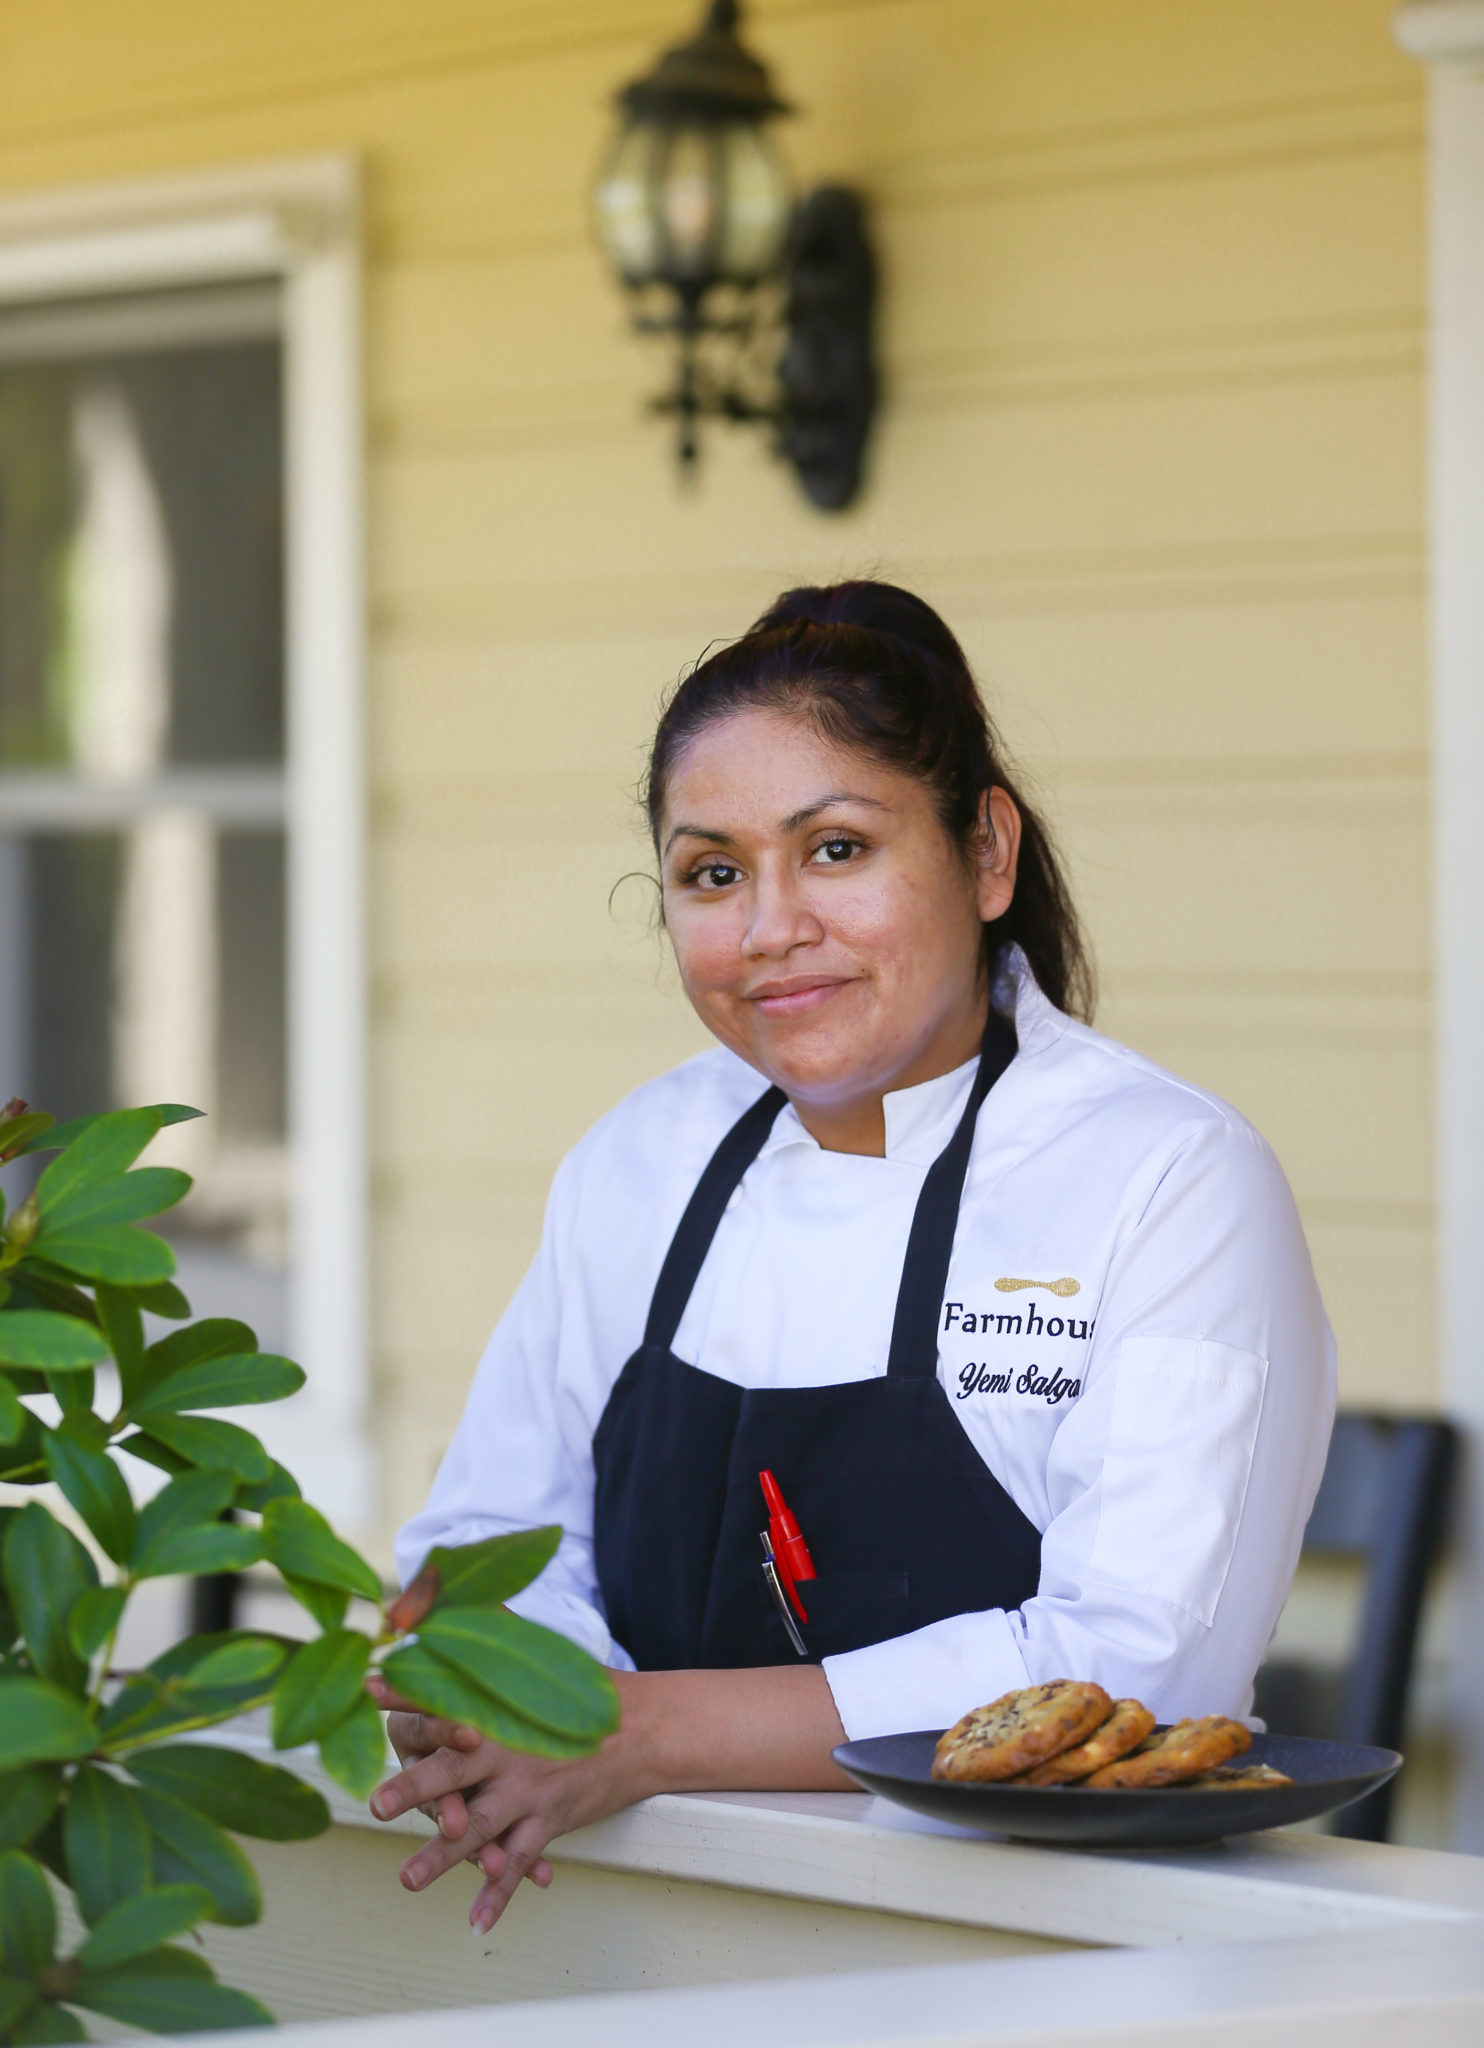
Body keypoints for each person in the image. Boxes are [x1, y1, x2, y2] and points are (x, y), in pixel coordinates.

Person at [369, 580, 1335, 1932]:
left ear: (987, 853)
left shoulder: (1166, 1181)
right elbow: (487, 1545)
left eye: (834, 849)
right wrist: (521, 1705)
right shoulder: (636, 1165)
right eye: (714, 872)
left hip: (1040, 1962)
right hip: (638, 1937)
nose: (769, 929)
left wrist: (631, 1733)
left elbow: (1135, 1666)